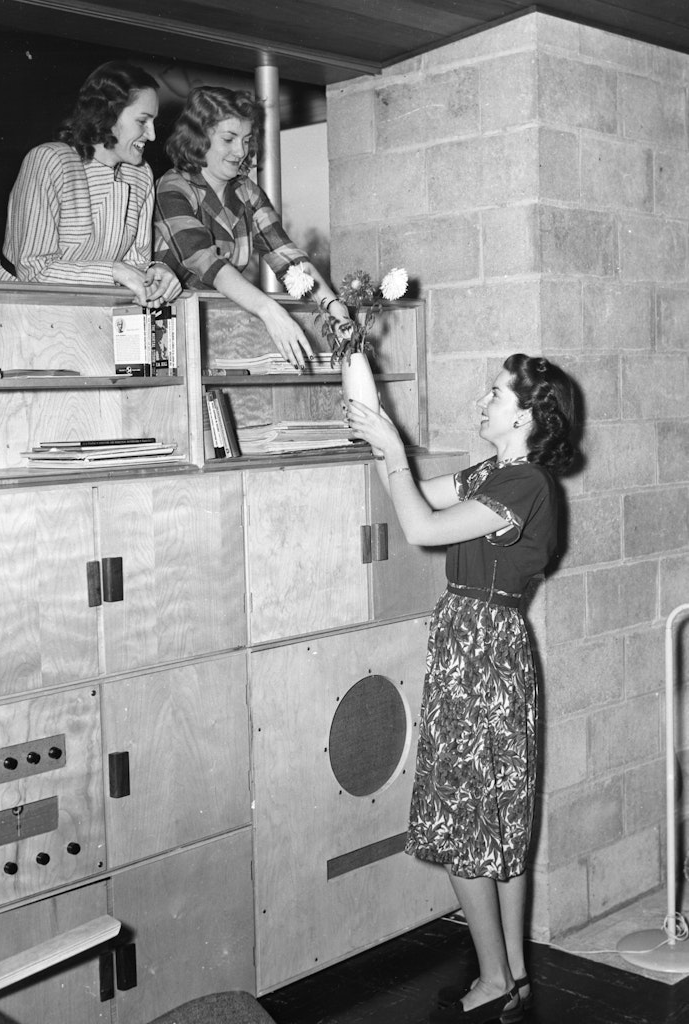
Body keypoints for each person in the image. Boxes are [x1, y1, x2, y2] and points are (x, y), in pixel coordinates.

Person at [347, 354, 580, 1024]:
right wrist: (384, 435)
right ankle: (512, 972)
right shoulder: (497, 475)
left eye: (497, 393)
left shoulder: (527, 483)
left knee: (466, 823)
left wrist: (390, 447)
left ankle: (492, 978)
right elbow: (422, 493)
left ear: (529, 415)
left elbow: (419, 528)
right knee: (496, 821)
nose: (482, 400)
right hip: (480, 648)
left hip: (480, 655)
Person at [153, 86, 347, 368]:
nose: (240, 151)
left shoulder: (247, 191)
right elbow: (206, 262)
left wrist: (335, 309)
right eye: (229, 139)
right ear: (198, 137)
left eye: (245, 140)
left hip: (221, 329)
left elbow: (287, 257)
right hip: (169, 333)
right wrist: (270, 310)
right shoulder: (172, 188)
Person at [0, 61, 181, 308]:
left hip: (87, 313)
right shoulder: (50, 161)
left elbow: (136, 265)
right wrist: (114, 271)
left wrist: (157, 273)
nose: (152, 135)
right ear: (107, 115)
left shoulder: (141, 175)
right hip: (15, 309)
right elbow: (33, 271)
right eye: (143, 121)